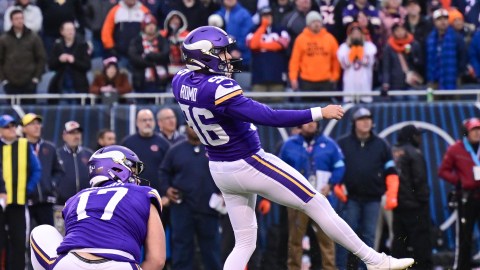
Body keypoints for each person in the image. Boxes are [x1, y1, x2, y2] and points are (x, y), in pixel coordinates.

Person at [172, 25, 414, 270]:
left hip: (219, 167)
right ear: (205, 55)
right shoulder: (218, 89)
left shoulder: (180, 81)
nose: (228, 57)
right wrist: (319, 112)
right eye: (222, 52)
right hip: (247, 162)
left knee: (245, 242)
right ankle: (374, 260)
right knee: (316, 202)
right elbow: (271, 117)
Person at [30, 145, 166, 270]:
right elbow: (157, 260)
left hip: (71, 264)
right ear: (118, 167)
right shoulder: (144, 193)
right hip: (120, 265)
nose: (136, 177)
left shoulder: (74, 199)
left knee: (41, 231)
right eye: (133, 171)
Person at [335, 107, 400, 270]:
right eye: (361, 119)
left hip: (373, 199)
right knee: (345, 236)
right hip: (350, 198)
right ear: (354, 123)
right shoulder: (343, 144)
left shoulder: (381, 144)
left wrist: (392, 193)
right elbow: (335, 168)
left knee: (369, 237)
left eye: (368, 119)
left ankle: (365, 269)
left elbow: (391, 171)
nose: (366, 122)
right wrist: (336, 186)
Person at [279, 121, 345, 270]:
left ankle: (329, 268)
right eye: (307, 121)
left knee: (327, 239)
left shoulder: (329, 144)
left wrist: (331, 184)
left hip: (322, 199)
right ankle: (294, 268)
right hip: (297, 200)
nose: (310, 125)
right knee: (295, 240)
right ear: (300, 125)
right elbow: (279, 169)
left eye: (314, 122)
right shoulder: (289, 145)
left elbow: (340, 166)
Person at [159, 126, 221, 270]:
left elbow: (226, 171)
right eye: (191, 126)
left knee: (212, 251)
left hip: (209, 207)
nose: (195, 129)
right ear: (185, 128)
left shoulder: (214, 149)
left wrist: (224, 193)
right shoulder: (175, 150)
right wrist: (167, 189)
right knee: (182, 250)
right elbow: (163, 171)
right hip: (182, 207)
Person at [0, 114, 41, 270]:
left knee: (18, 241)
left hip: (18, 201)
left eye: (12, 126)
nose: (11, 129)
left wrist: (26, 190)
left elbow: (36, 170)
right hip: (0, 202)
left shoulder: (24, 144)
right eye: (6, 126)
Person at [438, 118, 480, 270]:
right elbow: (443, 171)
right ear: (466, 132)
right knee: (464, 238)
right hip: (466, 198)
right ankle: (462, 267)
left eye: (479, 129)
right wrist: (459, 181)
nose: (477, 133)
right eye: (473, 130)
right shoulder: (456, 149)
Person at [391, 124, 432, 269]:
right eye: (417, 135)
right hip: (415, 205)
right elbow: (419, 179)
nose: (420, 138)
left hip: (397, 204)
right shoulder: (414, 152)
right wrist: (423, 199)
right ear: (412, 136)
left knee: (399, 241)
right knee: (421, 241)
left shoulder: (393, 150)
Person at [21, 113, 64, 227]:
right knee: (24, 236)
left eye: (38, 123)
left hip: (46, 200)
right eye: (32, 124)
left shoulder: (50, 147)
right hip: (25, 200)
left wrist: (52, 184)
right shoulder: (18, 148)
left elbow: (58, 170)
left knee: (50, 235)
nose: (37, 126)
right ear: (24, 128)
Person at [289, 11, 340, 102]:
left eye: (318, 21)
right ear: (308, 24)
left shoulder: (330, 38)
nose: (316, 24)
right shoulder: (301, 39)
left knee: (326, 110)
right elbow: (295, 61)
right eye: (313, 22)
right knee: (309, 111)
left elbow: (336, 60)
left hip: (326, 82)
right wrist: (293, 78)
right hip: (307, 82)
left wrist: (334, 77)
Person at [121, 109, 170, 192]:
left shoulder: (164, 143)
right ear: (137, 122)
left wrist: (166, 195)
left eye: (150, 120)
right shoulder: (127, 143)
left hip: (158, 194)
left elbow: (170, 170)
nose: (148, 123)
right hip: (133, 193)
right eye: (144, 120)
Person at [0, 9, 46, 98]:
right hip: (10, 83)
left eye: (21, 18)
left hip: (29, 83)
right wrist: (4, 80)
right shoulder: (3, 39)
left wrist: (36, 78)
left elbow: (41, 58)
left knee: (29, 111)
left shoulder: (34, 37)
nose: (19, 21)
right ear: (11, 21)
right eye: (16, 19)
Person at [48, 21, 91, 104]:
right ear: (62, 32)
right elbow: (51, 65)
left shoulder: (82, 45)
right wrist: (59, 60)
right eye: (67, 30)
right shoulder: (57, 45)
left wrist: (74, 61)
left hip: (78, 85)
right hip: (61, 85)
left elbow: (87, 66)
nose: (70, 32)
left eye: (72, 29)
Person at [337, 22, 377, 103]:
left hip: (365, 88)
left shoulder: (370, 46)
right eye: (353, 33)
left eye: (358, 33)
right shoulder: (343, 47)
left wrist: (360, 52)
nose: (356, 35)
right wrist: (352, 53)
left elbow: (368, 62)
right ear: (349, 35)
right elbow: (344, 64)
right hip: (349, 89)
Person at [56, 121, 94, 205]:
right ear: (64, 136)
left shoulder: (89, 154)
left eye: (78, 133)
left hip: (86, 203)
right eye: (72, 133)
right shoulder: (57, 154)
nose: (76, 136)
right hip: (62, 203)